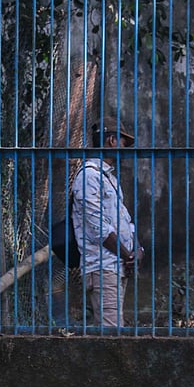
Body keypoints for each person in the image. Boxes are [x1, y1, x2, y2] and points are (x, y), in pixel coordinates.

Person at [70, 116, 143, 328]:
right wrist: (127, 254)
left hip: (116, 265)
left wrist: (136, 249)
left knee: (114, 330)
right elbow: (99, 228)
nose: (124, 148)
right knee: (110, 334)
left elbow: (124, 221)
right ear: (112, 141)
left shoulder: (108, 177)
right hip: (103, 268)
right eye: (122, 142)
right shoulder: (89, 177)